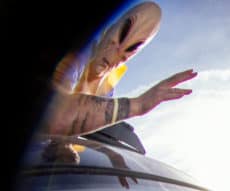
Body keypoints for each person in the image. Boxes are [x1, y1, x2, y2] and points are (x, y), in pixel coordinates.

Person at [41, 1, 196, 138]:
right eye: (121, 34)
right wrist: (138, 105)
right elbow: (55, 114)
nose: (118, 52)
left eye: (131, 49)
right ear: (109, 29)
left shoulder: (107, 88)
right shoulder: (79, 50)